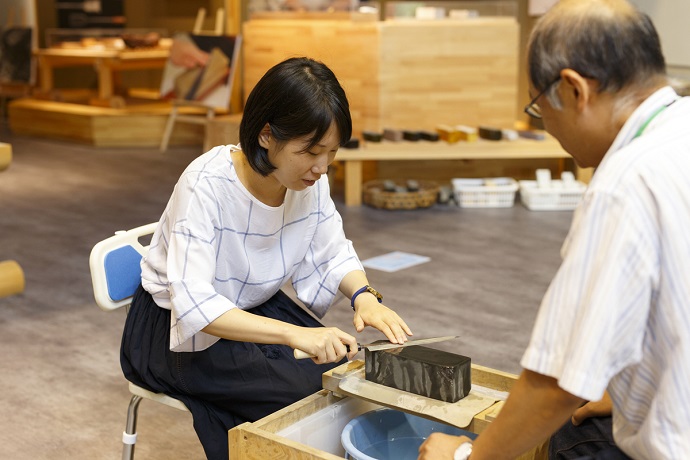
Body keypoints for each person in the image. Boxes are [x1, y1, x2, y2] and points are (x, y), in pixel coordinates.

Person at [419, 0, 690, 458]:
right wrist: (635, 389)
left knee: (564, 437)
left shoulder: (624, 185)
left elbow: (556, 382)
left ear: (573, 89)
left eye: (538, 107)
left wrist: (466, 456)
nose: (545, 126)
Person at [121, 56, 412, 460]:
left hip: (251, 308)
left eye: (331, 153)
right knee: (305, 396)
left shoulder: (309, 180)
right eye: (311, 151)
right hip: (174, 329)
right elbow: (194, 305)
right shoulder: (206, 184)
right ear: (266, 135)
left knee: (343, 374)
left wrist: (364, 296)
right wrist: (293, 334)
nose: (321, 167)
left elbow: (331, 251)